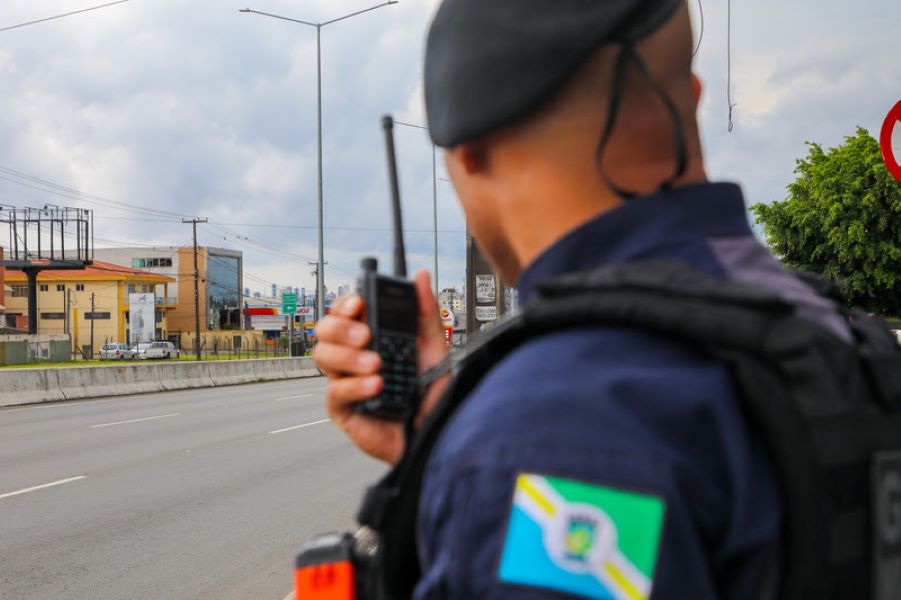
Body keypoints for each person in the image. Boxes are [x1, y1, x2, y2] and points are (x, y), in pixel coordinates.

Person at [313, 0, 851, 597]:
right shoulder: (825, 330)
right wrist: (434, 438)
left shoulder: (547, 427)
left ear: (472, 149)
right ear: (692, 97)